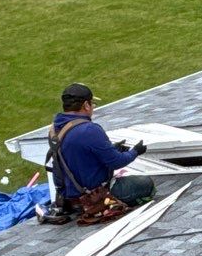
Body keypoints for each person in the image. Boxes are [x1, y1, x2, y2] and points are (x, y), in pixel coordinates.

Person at [45, 82, 152, 224]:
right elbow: (117, 162)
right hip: (94, 195)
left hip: (69, 198)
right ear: (86, 105)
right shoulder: (89, 129)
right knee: (146, 184)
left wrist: (112, 148)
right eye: (92, 104)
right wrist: (135, 152)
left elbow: (79, 158)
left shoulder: (55, 129)